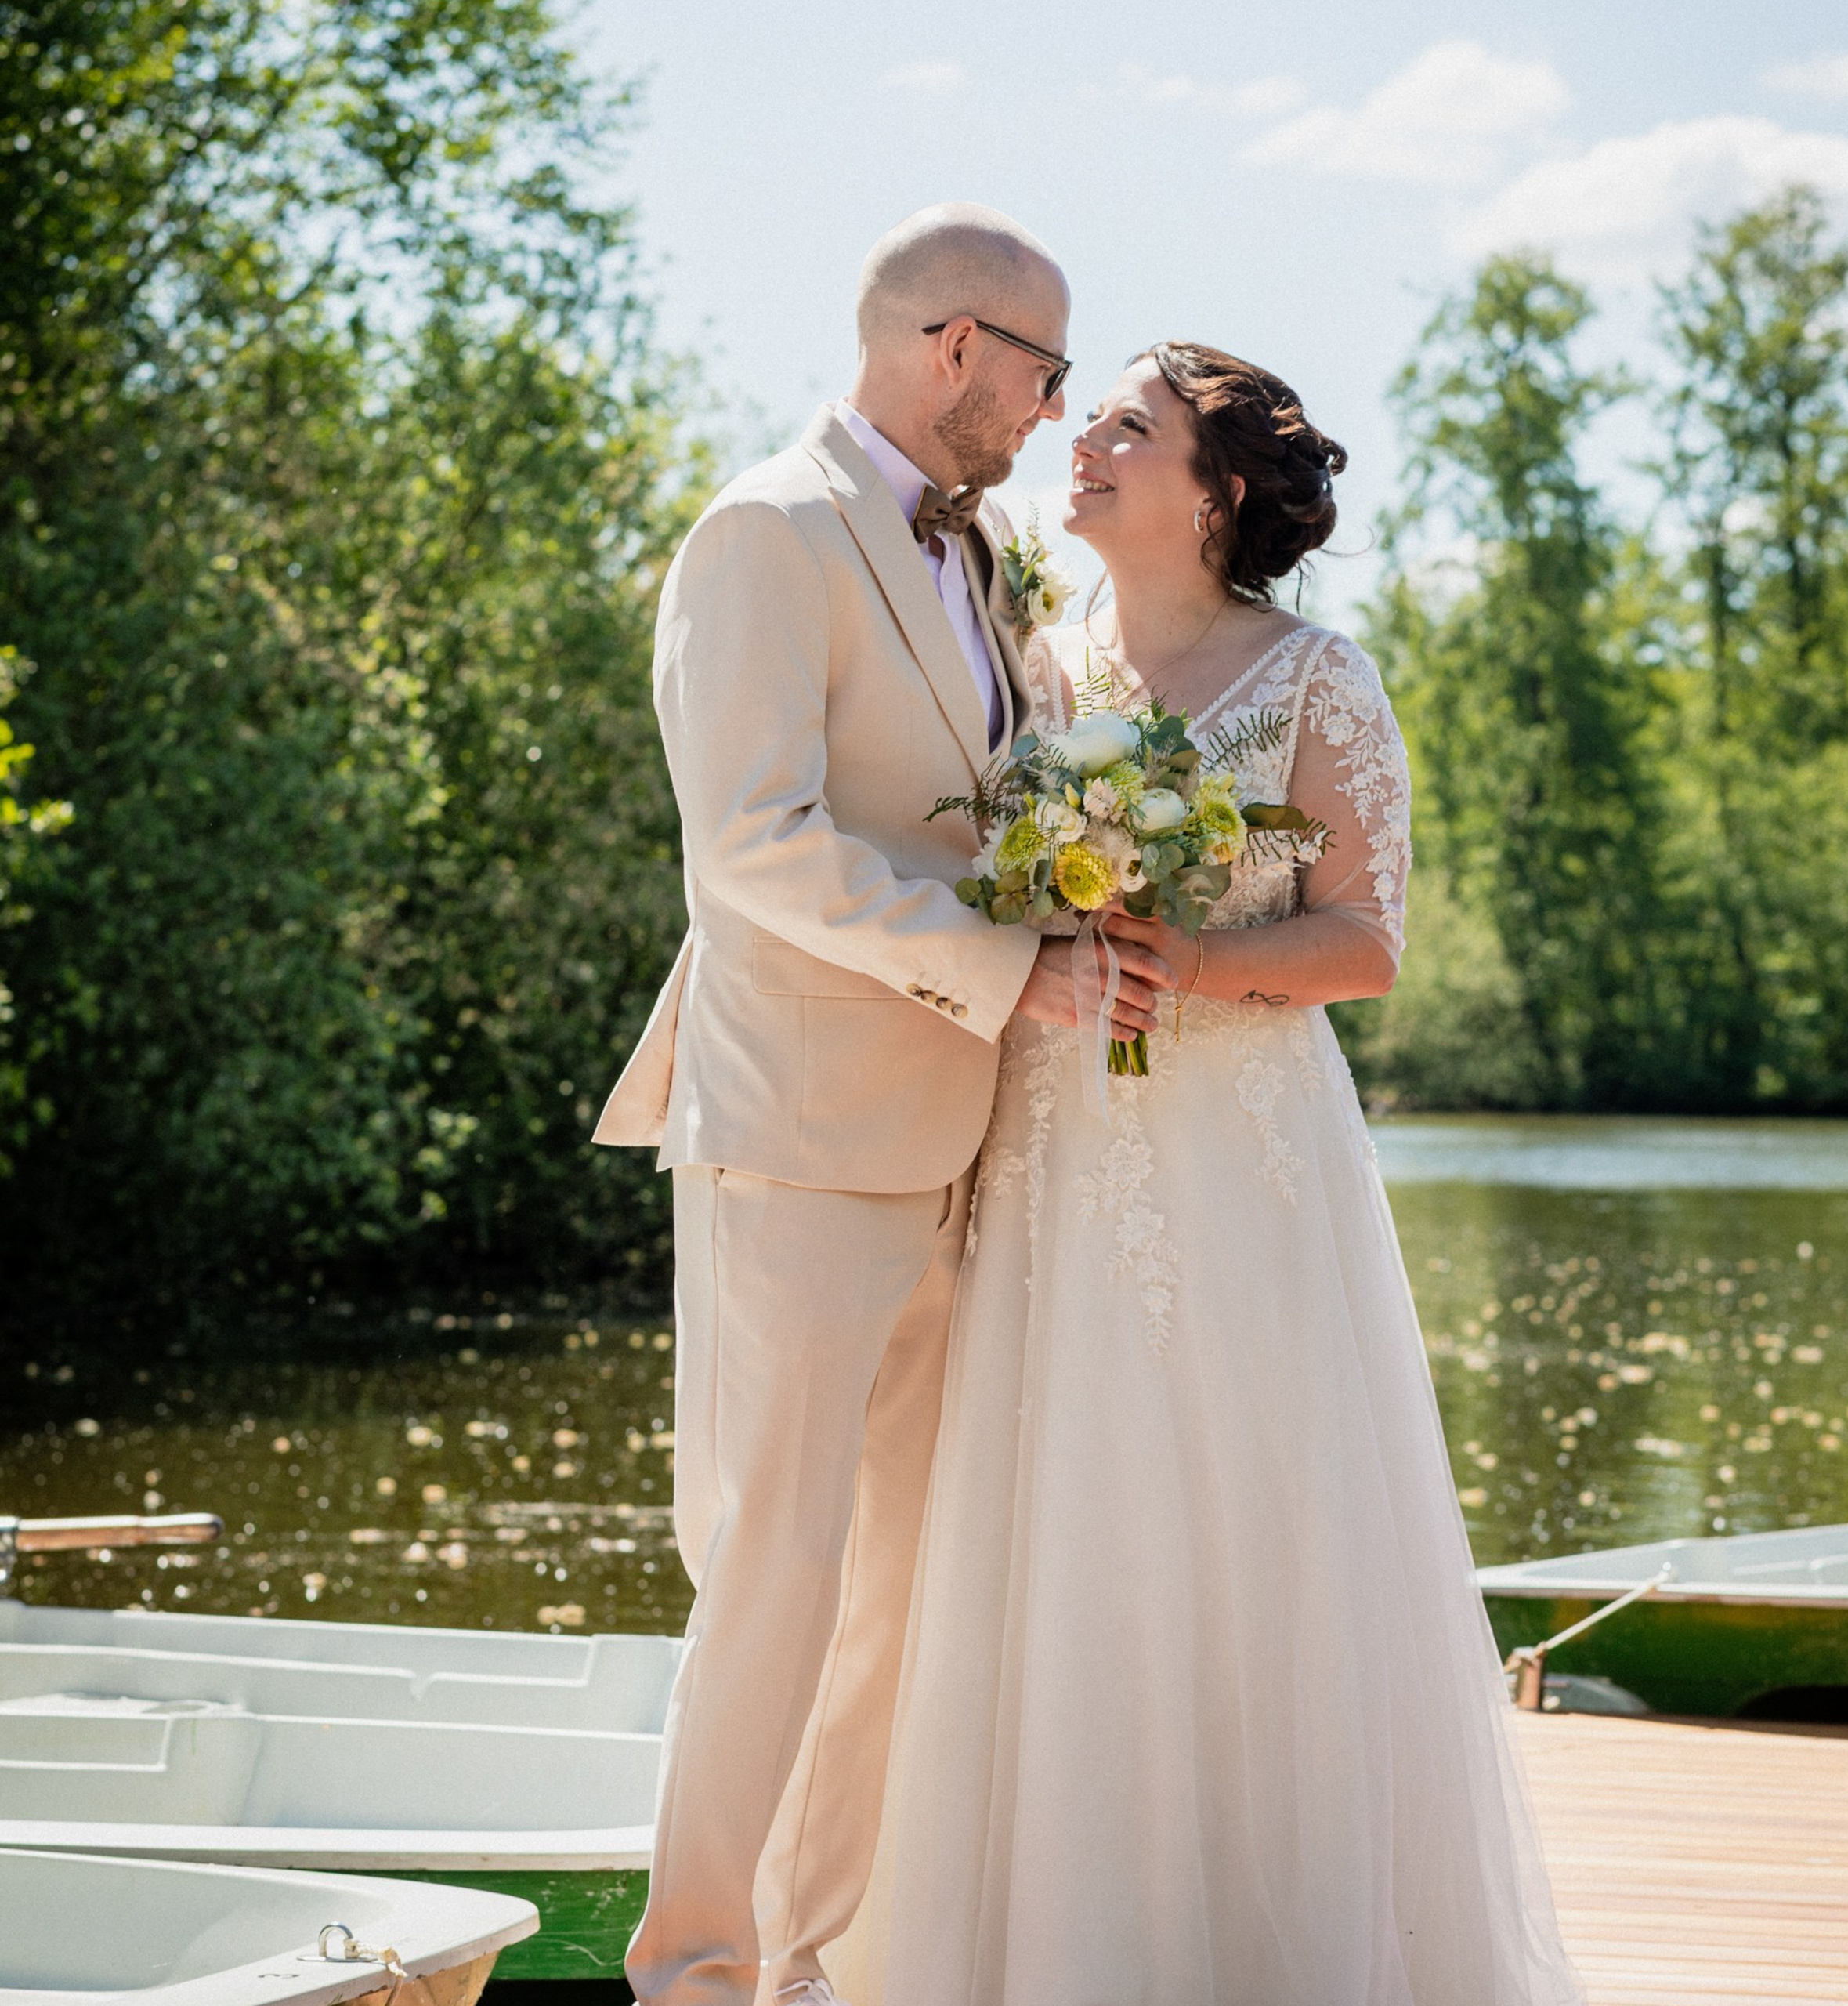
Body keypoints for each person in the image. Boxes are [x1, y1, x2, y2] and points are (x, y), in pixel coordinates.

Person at [837, 345, 1584, 2005]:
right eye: (1087, 416)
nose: (1081, 444)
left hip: (1238, 1155)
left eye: (1126, 427)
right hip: (1048, 1138)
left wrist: (1189, 956)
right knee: (1049, 1509)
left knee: (1244, 1519)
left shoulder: (1318, 679)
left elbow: (1367, 943)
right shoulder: (1036, 658)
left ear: (1216, 492)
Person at [592, 207, 1171, 2006]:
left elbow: (973, 809)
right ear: (950, 347)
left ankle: (804, 1963)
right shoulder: (762, 533)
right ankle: (689, 1969)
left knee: (889, 1601)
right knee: (773, 1576)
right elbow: (749, 846)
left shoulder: (984, 559)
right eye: (1043, 370)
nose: (1052, 408)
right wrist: (1009, 975)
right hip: (796, 1133)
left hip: (963, 1146)